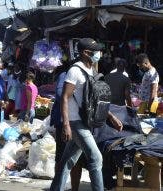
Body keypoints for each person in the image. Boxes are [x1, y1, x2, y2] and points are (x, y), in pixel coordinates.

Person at [50, 38, 123, 191]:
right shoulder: (74, 71)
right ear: (86, 53)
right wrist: (66, 125)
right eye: (95, 51)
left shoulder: (91, 71)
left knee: (66, 162)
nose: (98, 53)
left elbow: (94, 101)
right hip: (75, 122)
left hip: (85, 121)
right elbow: (64, 97)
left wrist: (111, 116)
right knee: (96, 158)